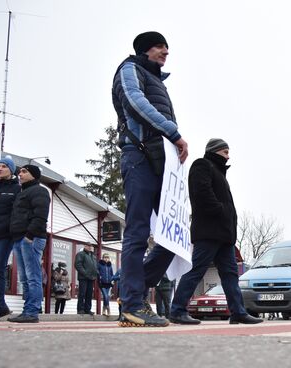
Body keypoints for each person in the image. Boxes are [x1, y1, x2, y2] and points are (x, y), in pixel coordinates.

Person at [112, 31, 188, 327]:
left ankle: (133, 293)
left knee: (175, 234)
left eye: (167, 47)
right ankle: (132, 303)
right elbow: (135, 102)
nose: (166, 51)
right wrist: (174, 132)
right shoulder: (129, 69)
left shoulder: (156, 79)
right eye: (159, 46)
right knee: (138, 232)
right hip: (138, 157)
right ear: (145, 49)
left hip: (160, 161)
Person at [168, 139, 262, 325]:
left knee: (230, 275)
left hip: (225, 236)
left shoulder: (219, 172)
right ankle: (177, 310)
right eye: (225, 152)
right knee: (196, 270)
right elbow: (201, 193)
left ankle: (238, 312)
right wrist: (220, 211)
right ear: (215, 151)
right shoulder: (202, 164)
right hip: (209, 232)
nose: (228, 156)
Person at [7, 164, 50, 323]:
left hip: (31, 238)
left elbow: (41, 215)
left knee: (33, 277)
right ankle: (28, 310)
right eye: (19, 172)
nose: (20, 174)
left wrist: (29, 236)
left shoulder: (40, 191)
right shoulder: (21, 192)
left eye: (24, 172)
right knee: (25, 278)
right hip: (19, 238)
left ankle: (32, 312)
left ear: (34, 175)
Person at [0, 156, 20, 322]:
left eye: (4, 166)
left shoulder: (17, 188)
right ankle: (1, 306)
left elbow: (17, 213)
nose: (0, 168)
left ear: (11, 170)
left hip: (4, 236)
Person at [75, 244, 98, 315]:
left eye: (91, 246)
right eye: (88, 246)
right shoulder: (80, 254)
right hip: (83, 278)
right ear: (85, 246)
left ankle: (88, 309)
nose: (90, 247)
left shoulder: (93, 256)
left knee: (89, 294)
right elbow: (78, 265)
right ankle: (80, 309)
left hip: (91, 278)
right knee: (82, 293)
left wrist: (96, 273)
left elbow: (94, 266)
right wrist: (85, 273)